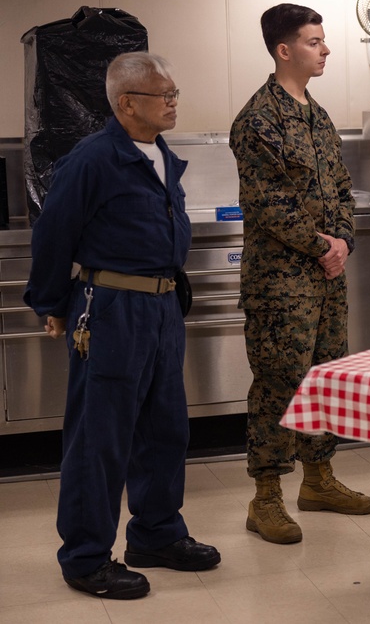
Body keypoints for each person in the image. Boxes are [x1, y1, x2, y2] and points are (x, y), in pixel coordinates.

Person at [24, 52, 220, 600]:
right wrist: (52, 303)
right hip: (110, 309)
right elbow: (52, 236)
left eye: (175, 92)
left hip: (161, 308)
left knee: (165, 429)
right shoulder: (92, 159)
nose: (174, 101)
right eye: (165, 94)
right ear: (126, 101)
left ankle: (156, 535)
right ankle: (86, 557)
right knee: (100, 437)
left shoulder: (159, 153)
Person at [230, 3, 370, 545]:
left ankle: (319, 480)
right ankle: (265, 496)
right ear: (285, 50)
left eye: (323, 40)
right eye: (315, 42)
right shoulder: (257, 120)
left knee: (325, 377)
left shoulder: (317, 115)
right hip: (280, 282)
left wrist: (343, 241)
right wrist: (322, 246)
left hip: (325, 276)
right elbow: (268, 205)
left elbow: (340, 186)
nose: (326, 50)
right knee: (278, 384)